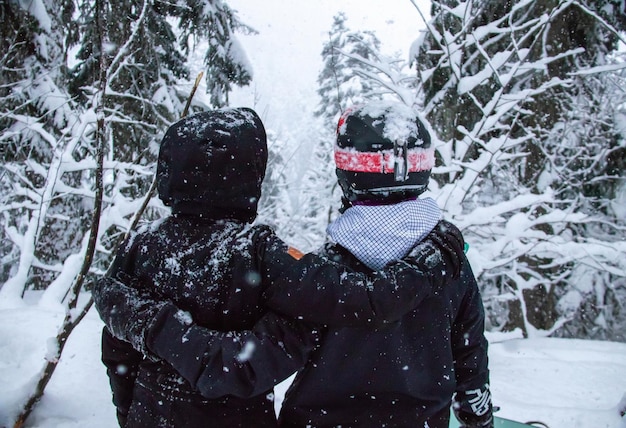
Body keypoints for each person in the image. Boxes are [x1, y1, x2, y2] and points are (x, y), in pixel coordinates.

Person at [92, 106, 466, 428]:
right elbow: (365, 300)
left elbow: (117, 353)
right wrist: (431, 259)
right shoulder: (257, 252)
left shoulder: (138, 244)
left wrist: (132, 412)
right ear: (250, 175)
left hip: (149, 415)